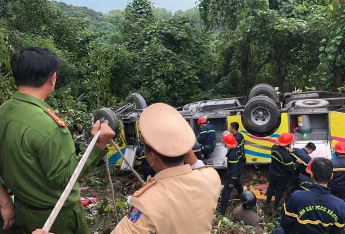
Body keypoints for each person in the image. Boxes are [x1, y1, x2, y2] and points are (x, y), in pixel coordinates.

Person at [0, 47, 115, 234]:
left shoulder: (4, 111)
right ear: (52, 78)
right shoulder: (50, 127)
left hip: (21, 209)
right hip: (55, 218)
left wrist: (5, 202)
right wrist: (99, 145)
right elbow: (64, 178)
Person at [112, 103, 221, 234]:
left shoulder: (146, 203)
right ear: (186, 150)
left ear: (152, 158)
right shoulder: (211, 177)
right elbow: (198, 165)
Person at [272, 158, 345, 234]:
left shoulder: (296, 197)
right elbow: (337, 231)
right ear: (331, 176)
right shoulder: (340, 205)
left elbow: (285, 223)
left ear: (311, 175)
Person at [266, 133, 301, 210]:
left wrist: (288, 150)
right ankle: (276, 205)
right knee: (279, 190)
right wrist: (297, 163)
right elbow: (290, 168)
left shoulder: (274, 147)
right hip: (281, 175)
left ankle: (267, 202)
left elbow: (281, 148)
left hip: (272, 171)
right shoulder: (287, 157)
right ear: (288, 143)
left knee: (271, 187)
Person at [216, 131, 246, 216]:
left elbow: (234, 169)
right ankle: (241, 195)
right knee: (238, 184)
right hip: (238, 172)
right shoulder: (237, 148)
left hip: (234, 175)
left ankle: (221, 212)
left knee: (225, 192)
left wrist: (232, 181)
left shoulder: (232, 155)